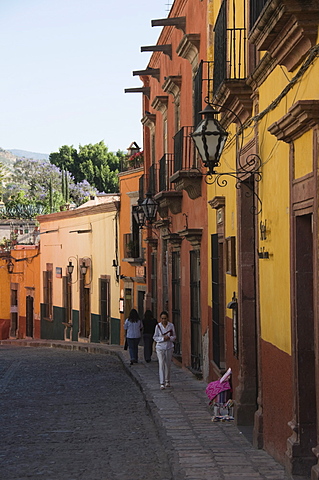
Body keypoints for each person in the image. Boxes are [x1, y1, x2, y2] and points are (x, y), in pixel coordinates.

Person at [153, 310, 176, 390]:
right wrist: (163, 338)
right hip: (160, 347)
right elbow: (155, 337)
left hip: (169, 347)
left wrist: (169, 338)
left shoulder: (171, 326)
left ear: (167, 318)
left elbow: (174, 337)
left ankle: (167, 381)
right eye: (162, 318)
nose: (164, 320)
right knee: (161, 364)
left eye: (165, 318)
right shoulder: (158, 327)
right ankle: (162, 382)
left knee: (168, 364)